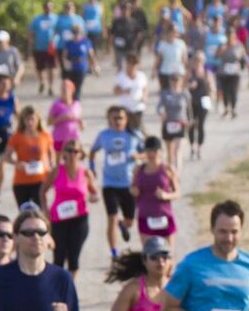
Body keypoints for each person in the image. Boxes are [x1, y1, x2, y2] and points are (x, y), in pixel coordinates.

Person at [91, 106, 141, 259]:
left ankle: (123, 224)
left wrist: (137, 156)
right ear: (109, 120)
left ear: (126, 120)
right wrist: (92, 168)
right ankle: (114, 252)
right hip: (109, 184)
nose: (118, 121)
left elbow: (148, 153)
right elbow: (92, 151)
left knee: (130, 221)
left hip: (128, 183)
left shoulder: (134, 135)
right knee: (111, 217)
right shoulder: (104, 136)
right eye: (114, 118)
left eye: (121, 118)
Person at [44, 139, 98, 274]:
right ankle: (57, 289)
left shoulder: (86, 173)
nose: (72, 154)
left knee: (74, 257)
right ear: (63, 153)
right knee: (59, 257)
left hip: (79, 218)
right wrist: (45, 210)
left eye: (76, 151)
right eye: (69, 150)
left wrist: (94, 197)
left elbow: (95, 192)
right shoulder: (57, 170)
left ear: (80, 154)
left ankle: (69, 289)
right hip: (59, 219)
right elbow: (42, 190)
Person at [3, 106, 52, 210]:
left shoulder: (45, 136)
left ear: (38, 120)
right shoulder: (17, 137)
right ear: (23, 120)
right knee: (24, 213)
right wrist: (17, 163)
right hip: (21, 181)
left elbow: (51, 156)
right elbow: (6, 157)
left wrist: (50, 172)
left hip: (40, 181)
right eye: (27, 119)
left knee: (40, 212)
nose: (30, 123)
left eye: (32, 119)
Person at [134, 137, 179, 248]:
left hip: (164, 215)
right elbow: (132, 187)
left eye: (154, 151)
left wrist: (166, 195)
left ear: (160, 152)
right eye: (148, 151)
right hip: (145, 216)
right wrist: (134, 191)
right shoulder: (139, 169)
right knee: (149, 254)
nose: (151, 154)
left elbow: (178, 192)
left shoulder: (167, 169)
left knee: (168, 254)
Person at [156, 69, 191, 171]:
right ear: (170, 81)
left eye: (177, 79)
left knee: (178, 150)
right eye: (173, 80)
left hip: (180, 123)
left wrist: (189, 120)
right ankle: (170, 172)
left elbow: (189, 109)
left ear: (181, 81)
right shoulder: (165, 93)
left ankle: (177, 173)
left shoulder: (185, 94)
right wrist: (161, 113)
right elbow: (159, 107)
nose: (175, 82)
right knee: (170, 151)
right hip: (168, 123)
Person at [29, 0, 60, 94]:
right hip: (39, 47)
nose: (48, 9)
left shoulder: (56, 19)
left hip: (51, 47)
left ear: (53, 8)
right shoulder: (37, 19)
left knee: (52, 67)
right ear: (44, 8)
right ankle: (42, 82)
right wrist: (31, 42)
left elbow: (59, 31)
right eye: (46, 7)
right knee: (40, 68)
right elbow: (31, 31)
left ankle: (51, 86)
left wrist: (56, 40)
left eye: (50, 7)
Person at [49, 77, 83, 157]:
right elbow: (49, 122)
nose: (64, 92)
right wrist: (62, 118)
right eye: (62, 89)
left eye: (66, 89)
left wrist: (81, 124)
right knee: (58, 161)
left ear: (72, 91)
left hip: (73, 137)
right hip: (59, 137)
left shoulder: (77, 104)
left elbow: (79, 119)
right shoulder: (56, 105)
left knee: (73, 159)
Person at [214, 30, 244, 119]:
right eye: (228, 36)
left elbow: (243, 56)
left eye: (232, 35)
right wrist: (221, 50)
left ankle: (233, 109)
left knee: (233, 91)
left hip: (235, 72)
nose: (230, 38)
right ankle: (226, 108)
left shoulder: (238, 45)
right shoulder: (222, 45)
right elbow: (216, 56)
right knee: (225, 91)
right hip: (224, 72)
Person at [109, 51, 148, 116]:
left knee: (137, 126)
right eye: (131, 63)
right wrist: (124, 91)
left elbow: (145, 88)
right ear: (126, 63)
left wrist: (144, 97)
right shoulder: (120, 76)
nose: (132, 66)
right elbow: (115, 91)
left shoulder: (141, 75)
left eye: (135, 63)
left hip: (138, 107)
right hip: (125, 108)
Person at [186, 62, 211, 160]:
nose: (197, 70)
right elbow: (188, 87)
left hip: (204, 102)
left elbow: (211, 88)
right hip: (192, 103)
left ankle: (199, 147)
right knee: (191, 125)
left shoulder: (207, 76)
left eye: (199, 68)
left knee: (201, 125)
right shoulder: (190, 78)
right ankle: (192, 146)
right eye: (196, 68)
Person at [81, 0, 105, 67]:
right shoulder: (84, 5)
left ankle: (93, 64)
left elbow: (102, 18)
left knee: (94, 48)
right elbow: (81, 17)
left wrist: (104, 29)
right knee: (88, 48)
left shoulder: (100, 5)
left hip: (96, 29)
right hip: (86, 30)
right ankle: (91, 64)